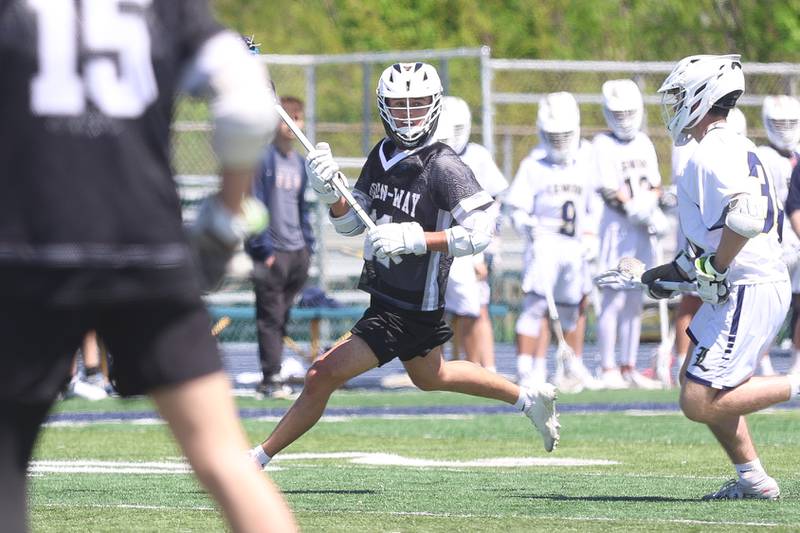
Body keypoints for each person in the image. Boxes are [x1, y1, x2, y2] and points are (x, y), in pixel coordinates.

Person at [0, 2, 296, 532]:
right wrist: (228, 212)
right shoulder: (163, 10)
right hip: (149, 249)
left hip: (32, 255)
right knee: (227, 461)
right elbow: (249, 103)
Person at [249, 62, 560, 470]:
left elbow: (484, 228)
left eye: (417, 105)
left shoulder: (443, 165)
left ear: (434, 106)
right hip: (388, 295)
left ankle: (257, 459)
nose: (408, 115)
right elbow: (349, 223)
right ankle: (527, 398)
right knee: (433, 375)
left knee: (321, 374)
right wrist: (329, 191)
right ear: (384, 108)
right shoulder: (381, 154)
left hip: (409, 305)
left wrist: (417, 239)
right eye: (399, 106)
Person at [645, 54, 792, 500]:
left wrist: (716, 267)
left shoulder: (710, 153)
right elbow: (718, 232)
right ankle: (753, 479)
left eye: (679, 96)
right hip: (746, 284)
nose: (674, 106)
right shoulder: (738, 146)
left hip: (748, 285)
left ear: (702, 96)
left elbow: (745, 219)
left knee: (698, 400)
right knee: (703, 380)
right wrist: (675, 273)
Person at [506, 92, 598, 391]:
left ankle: (569, 365)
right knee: (535, 306)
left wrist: (591, 236)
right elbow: (516, 205)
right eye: (552, 135)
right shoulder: (533, 164)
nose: (558, 141)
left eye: (563, 135)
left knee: (571, 307)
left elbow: (594, 205)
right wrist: (525, 223)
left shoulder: (586, 160)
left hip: (574, 245)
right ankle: (526, 368)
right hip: (544, 243)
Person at [593, 79, 665, 390]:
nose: (623, 120)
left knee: (636, 297)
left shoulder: (645, 143)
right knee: (613, 297)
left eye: (628, 113)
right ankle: (607, 366)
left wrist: (652, 207)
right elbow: (609, 189)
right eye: (617, 114)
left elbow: (656, 184)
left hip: (642, 231)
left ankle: (629, 365)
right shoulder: (601, 145)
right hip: (616, 231)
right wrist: (634, 207)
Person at [246, 95, 314, 398]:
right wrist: (264, 251)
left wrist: (307, 249)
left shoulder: (299, 163)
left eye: (297, 118)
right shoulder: (262, 159)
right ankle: (270, 377)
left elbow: (302, 210)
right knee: (270, 317)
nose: (292, 124)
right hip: (272, 253)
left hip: (296, 253)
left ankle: (274, 372)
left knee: (282, 315)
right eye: (286, 118)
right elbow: (253, 206)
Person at [437, 96, 508, 372]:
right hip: (441, 241)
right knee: (437, 310)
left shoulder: (477, 156)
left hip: (471, 245)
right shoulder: (431, 154)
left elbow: (493, 203)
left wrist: (490, 246)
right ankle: (442, 367)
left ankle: (482, 366)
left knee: (476, 307)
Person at [756, 96, 800, 375]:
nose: (784, 129)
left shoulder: (797, 155)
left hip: (796, 239)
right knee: (768, 306)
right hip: (775, 239)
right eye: (778, 123)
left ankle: (796, 366)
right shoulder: (762, 156)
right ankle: (761, 360)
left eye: (790, 123)